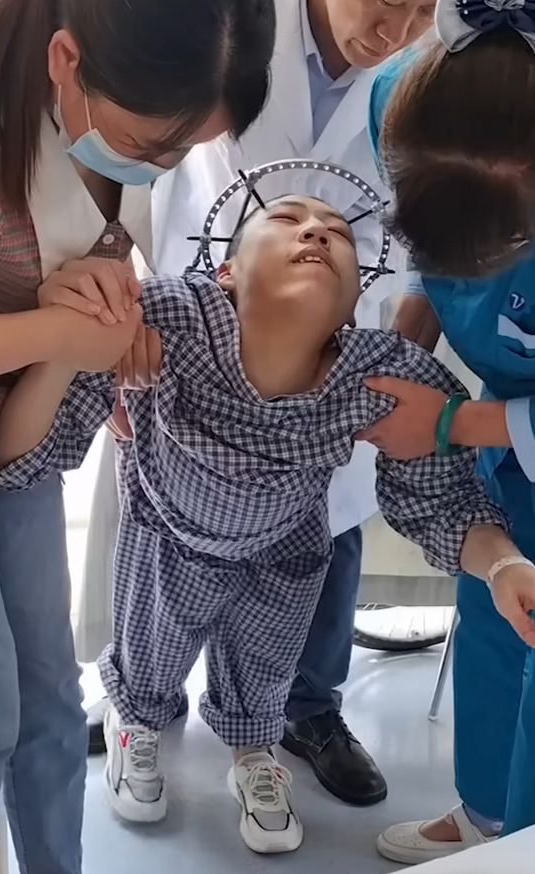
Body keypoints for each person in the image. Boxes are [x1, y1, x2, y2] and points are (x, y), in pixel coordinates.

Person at [0, 1, 276, 872]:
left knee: (48, 697)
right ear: (67, 61)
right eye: (155, 150)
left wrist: (108, 309)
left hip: (15, 420)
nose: (164, 166)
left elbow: (83, 239)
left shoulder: (136, 95)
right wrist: (51, 337)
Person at [0, 192, 535, 855]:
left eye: (337, 234)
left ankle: (255, 751)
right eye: (287, 220)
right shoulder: (167, 320)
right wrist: (87, 343)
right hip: (169, 531)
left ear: (353, 300)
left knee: (266, 666)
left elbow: (442, 501)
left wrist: (504, 565)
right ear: (226, 272)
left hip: (285, 548)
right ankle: (135, 721)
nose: (315, 231)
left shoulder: (380, 375)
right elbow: (29, 447)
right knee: (150, 652)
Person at [83, 0, 437, 807]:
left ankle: (303, 711)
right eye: (387, 2)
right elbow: (121, 132)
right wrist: (109, 303)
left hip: (332, 356)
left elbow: (428, 231)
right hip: (193, 332)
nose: (398, 31)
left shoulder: (421, 75)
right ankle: (143, 704)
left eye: (425, 11)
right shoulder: (227, 22)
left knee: (316, 541)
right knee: (160, 548)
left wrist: (398, 353)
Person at [360, 2, 535, 864]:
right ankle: (488, 816)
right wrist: (408, 342)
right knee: (499, 601)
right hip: (506, 430)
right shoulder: (402, 98)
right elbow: (423, 259)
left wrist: (450, 420)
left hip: (504, 413)